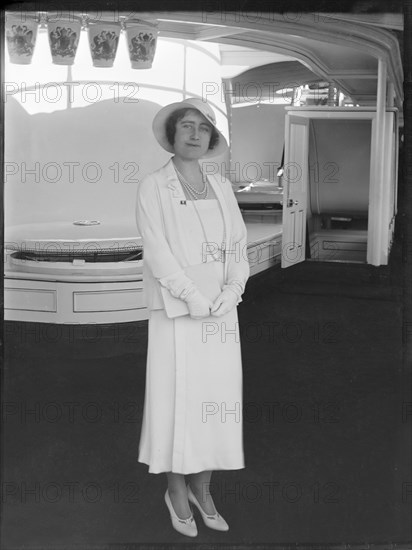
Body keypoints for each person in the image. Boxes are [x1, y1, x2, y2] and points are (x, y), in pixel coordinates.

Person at [135, 97, 250, 537]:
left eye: (203, 127)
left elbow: (237, 244)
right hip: (176, 310)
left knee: (215, 406)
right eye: (186, 125)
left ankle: (204, 489)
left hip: (222, 310)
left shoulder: (221, 185)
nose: (195, 133)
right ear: (172, 134)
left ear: (212, 137)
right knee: (175, 401)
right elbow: (157, 252)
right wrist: (191, 296)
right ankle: (176, 491)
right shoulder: (153, 186)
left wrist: (233, 289)